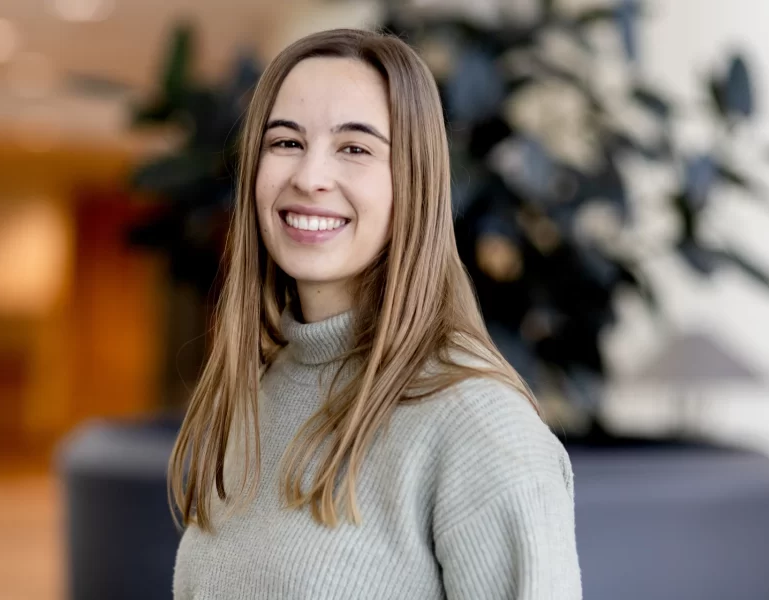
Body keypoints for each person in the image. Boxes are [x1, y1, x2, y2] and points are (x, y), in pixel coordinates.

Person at [170, 28, 582, 600]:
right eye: (285, 142)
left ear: (411, 181)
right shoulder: (259, 387)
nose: (309, 176)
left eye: (355, 148)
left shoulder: (478, 424)